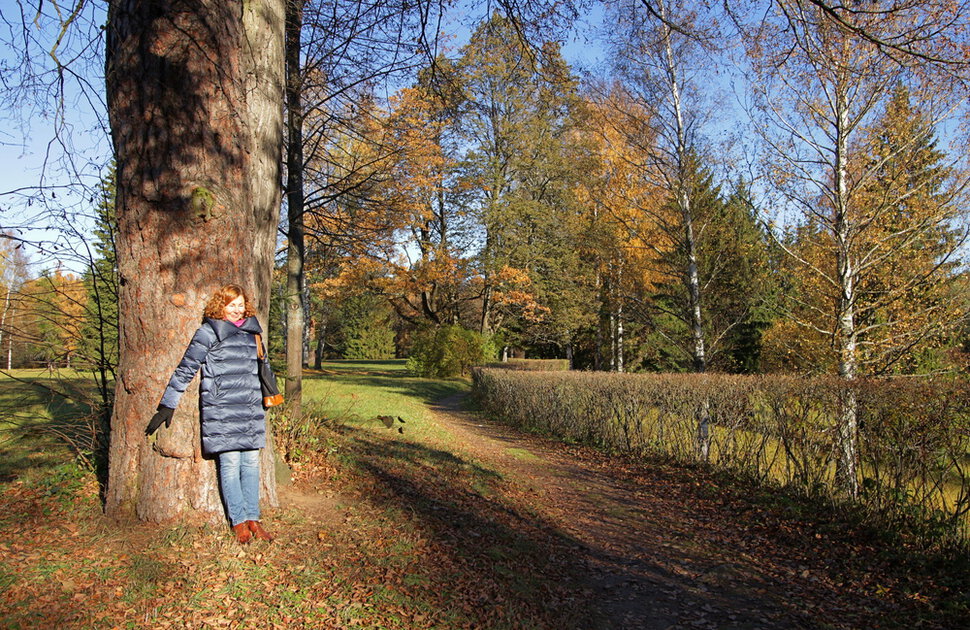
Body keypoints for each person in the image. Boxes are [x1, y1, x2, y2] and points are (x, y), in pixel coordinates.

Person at [146, 284, 274, 544]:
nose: (237, 310)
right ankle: (238, 522)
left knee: (251, 464)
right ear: (221, 306)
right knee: (230, 466)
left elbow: (264, 366)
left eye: (240, 304)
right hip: (222, 409)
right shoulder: (208, 332)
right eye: (231, 305)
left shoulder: (254, 333)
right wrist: (168, 404)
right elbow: (186, 368)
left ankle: (254, 519)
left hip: (250, 407)